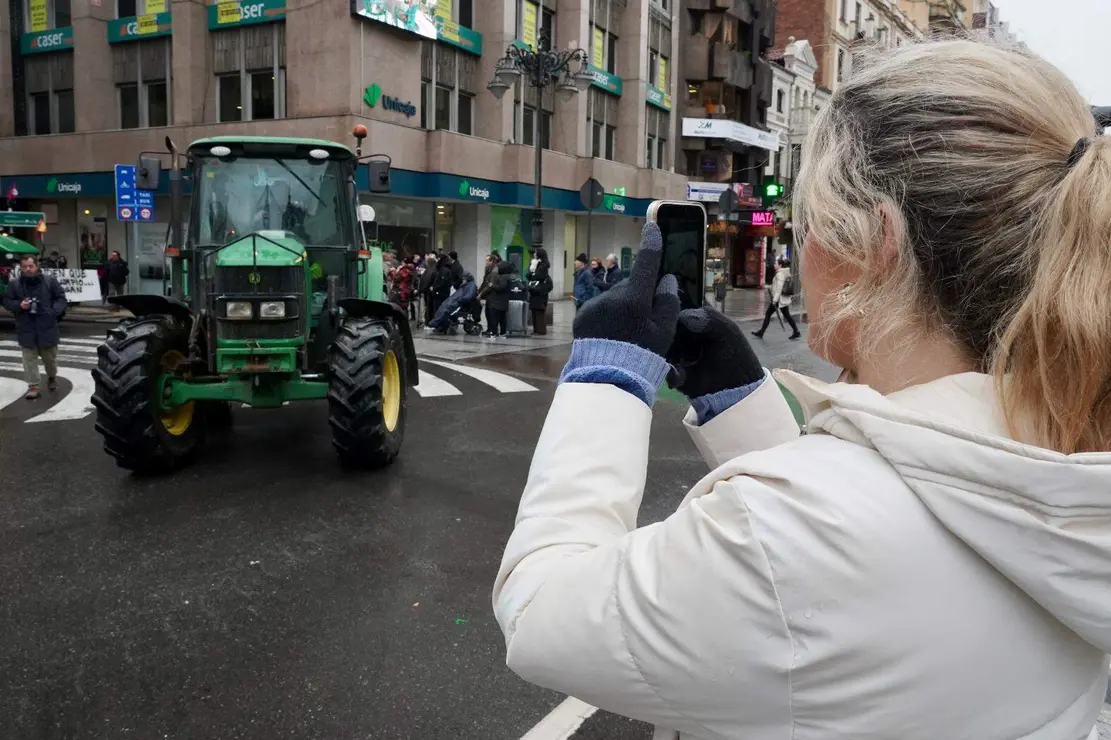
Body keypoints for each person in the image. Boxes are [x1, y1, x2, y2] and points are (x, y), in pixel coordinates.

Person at [492, 40, 1111, 740]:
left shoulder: (791, 534)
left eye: (808, 225)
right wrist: (737, 399)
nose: (803, 247)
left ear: (875, 242)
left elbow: (542, 613)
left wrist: (604, 378)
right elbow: (921, 495)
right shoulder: (1067, 447)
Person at [2, 254, 66, 400]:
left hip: (47, 327)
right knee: (28, 359)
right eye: (24, 267)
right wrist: (19, 305)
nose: (28, 269)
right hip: (26, 327)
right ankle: (33, 386)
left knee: (50, 360)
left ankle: (51, 377)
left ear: (37, 266)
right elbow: (7, 301)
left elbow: (61, 298)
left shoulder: (49, 281)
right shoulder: (15, 284)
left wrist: (53, 312)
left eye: (30, 266)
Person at [753, 255, 801, 340]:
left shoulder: (780, 274)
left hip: (779, 299)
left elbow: (779, 288)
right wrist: (769, 287)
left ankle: (761, 332)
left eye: (775, 263)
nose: (774, 264)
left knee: (768, 314)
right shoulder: (781, 273)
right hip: (780, 299)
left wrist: (774, 300)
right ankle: (796, 331)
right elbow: (776, 286)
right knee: (787, 316)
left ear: (780, 265)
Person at [527, 248, 553, 335]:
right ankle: (536, 329)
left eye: (535, 253)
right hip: (534, 290)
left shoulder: (543, 264)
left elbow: (539, 276)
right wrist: (532, 269)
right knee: (534, 311)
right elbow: (528, 275)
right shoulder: (534, 263)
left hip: (540, 291)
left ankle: (541, 330)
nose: (534, 254)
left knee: (539, 311)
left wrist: (533, 271)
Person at [484, 262, 514, 338]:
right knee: (502, 318)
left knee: (495, 317)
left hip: (498, 302)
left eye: (498, 267)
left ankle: (494, 333)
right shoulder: (507, 276)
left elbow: (501, 287)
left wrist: (491, 285)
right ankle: (502, 333)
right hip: (502, 301)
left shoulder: (503, 277)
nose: (497, 269)